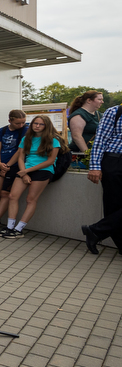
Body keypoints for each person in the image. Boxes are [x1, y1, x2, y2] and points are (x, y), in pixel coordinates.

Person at [0, 115, 61, 239]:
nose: (37, 126)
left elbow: (50, 161)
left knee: (31, 199)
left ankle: (19, 229)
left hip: (43, 170)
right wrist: (24, 172)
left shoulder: (53, 140)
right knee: (12, 196)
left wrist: (26, 171)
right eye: (35, 123)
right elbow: (20, 157)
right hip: (25, 169)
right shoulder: (26, 138)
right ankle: (10, 227)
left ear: (46, 126)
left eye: (41, 124)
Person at [83, 104, 122, 254]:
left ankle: (96, 231)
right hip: (114, 160)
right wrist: (94, 166)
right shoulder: (115, 111)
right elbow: (100, 140)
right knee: (113, 205)